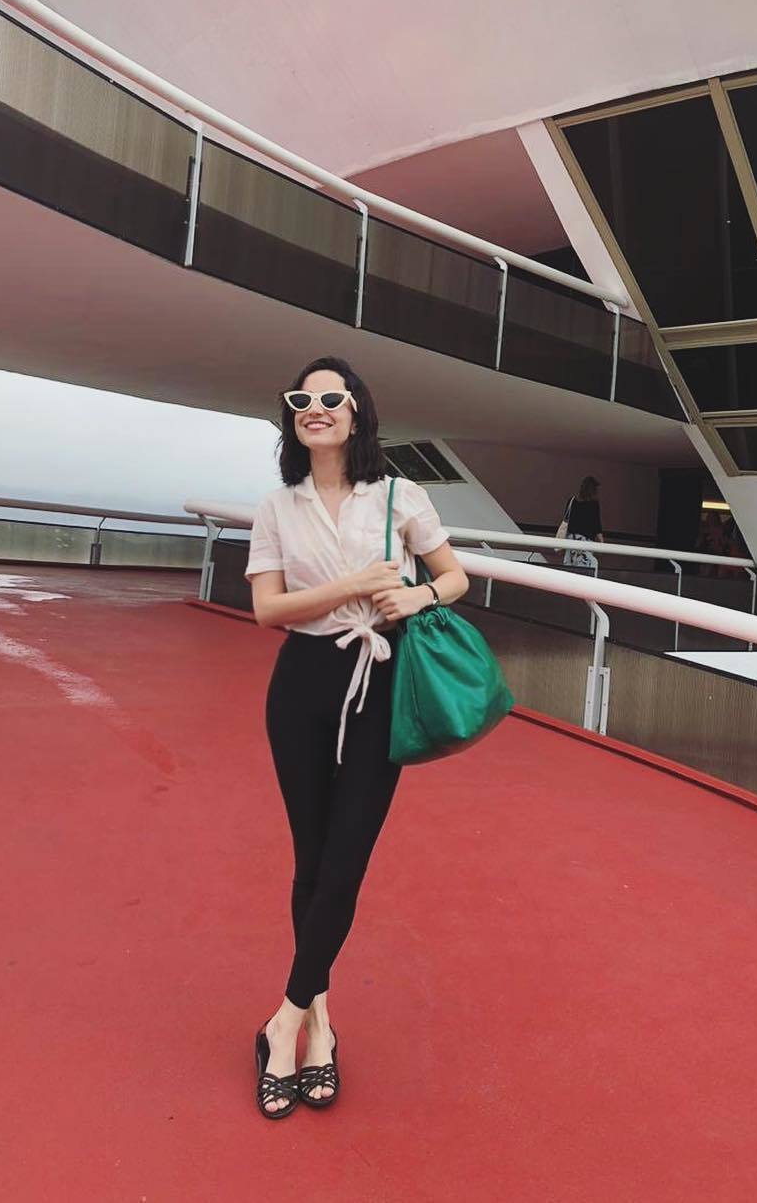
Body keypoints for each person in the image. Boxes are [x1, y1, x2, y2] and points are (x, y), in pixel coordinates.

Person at [244, 355, 469, 1118]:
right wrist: (354, 586)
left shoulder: (399, 495)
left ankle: (284, 1020)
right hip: (302, 683)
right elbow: (268, 611)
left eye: (331, 397)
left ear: (357, 411)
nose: (315, 407)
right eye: (301, 398)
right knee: (312, 860)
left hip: (381, 682)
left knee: (346, 861)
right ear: (293, 418)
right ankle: (319, 1026)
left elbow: (456, 577)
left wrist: (416, 596)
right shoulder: (278, 505)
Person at [556, 475, 604, 569]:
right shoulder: (594, 504)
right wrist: (602, 543)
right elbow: (597, 525)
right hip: (586, 543)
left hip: (571, 541)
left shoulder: (572, 501)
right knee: (585, 569)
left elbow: (566, 521)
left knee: (570, 569)